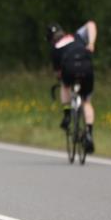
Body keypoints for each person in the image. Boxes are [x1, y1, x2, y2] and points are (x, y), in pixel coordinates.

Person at [47, 21, 97, 153]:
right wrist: (91, 43)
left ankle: (67, 114)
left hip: (69, 70)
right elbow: (91, 24)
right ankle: (89, 133)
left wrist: (60, 78)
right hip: (86, 68)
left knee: (64, 85)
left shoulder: (55, 49)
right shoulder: (77, 36)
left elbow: (58, 73)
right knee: (86, 101)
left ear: (51, 39)